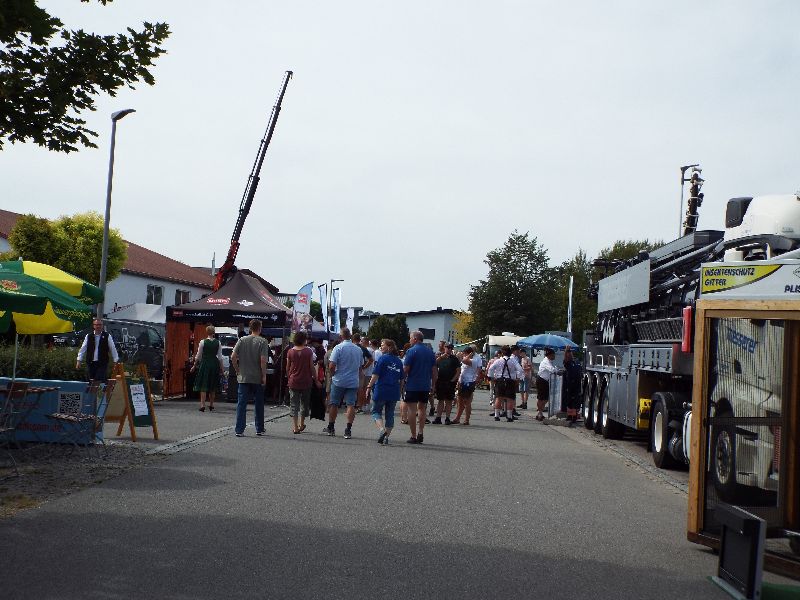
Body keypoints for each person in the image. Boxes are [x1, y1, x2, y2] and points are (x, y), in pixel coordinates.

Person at [231, 319, 270, 437]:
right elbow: (263, 360)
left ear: (250, 328)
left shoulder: (242, 340)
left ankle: (239, 429)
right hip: (257, 377)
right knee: (259, 403)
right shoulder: (263, 341)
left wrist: (237, 370)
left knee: (241, 404)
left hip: (243, 377)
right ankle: (259, 428)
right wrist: (264, 375)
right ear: (260, 328)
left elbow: (233, 356)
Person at [325, 327, 364, 439]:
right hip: (353, 381)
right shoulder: (358, 349)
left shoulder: (338, 348)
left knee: (334, 404)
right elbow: (360, 367)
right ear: (350, 336)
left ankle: (331, 427)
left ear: (341, 336)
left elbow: (331, 366)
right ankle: (348, 429)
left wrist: (333, 375)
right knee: (350, 404)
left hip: (339, 380)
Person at [366, 338, 404, 445]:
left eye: (383, 345)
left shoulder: (383, 359)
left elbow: (375, 374)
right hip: (393, 390)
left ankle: (382, 430)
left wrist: (369, 386)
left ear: (389, 347)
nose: (381, 347)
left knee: (376, 411)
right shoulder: (398, 361)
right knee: (390, 414)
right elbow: (402, 379)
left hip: (382, 389)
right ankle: (386, 437)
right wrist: (400, 390)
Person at [403, 330, 437, 444]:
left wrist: (401, 380)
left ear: (415, 339)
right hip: (425, 385)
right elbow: (434, 371)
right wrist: (433, 385)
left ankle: (413, 435)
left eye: (410, 338)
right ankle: (420, 432)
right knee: (422, 408)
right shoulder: (430, 352)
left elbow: (406, 369)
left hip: (413, 384)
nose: (409, 340)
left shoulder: (411, 351)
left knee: (412, 410)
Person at [286, 331, 317, 434]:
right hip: (306, 380)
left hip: (293, 380)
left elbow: (287, 367)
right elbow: (312, 367)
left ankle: (295, 427)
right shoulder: (308, 351)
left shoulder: (290, 351)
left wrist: (289, 376)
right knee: (304, 403)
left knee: (294, 404)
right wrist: (316, 379)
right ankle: (301, 424)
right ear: (304, 340)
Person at [190, 324, 224, 412]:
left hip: (205, 364)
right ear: (214, 332)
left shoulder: (203, 342)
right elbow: (220, 357)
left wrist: (194, 366)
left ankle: (202, 405)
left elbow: (198, 356)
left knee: (203, 385)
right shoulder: (218, 343)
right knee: (212, 385)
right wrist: (222, 368)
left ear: (207, 332)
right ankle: (211, 404)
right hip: (214, 364)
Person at [487, 345, 524, 422]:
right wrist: (518, 378)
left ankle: (496, 415)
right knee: (510, 399)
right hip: (510, 381)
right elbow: (520, 370)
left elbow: (490, 369)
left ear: (502, 353)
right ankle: (509, 416)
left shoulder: (498, 361)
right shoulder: (513, 361)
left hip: (500, 380)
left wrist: (492, 377)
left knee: (498, 398)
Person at [452, 346, 482, 425]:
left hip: (469, 382)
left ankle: (466, 419)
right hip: (462, 382)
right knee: (459, 401)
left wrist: (467, 356)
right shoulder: (466, 360)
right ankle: (457, 418)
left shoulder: (473, 360)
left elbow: (464, 360)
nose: (463, 355)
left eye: (465, 353)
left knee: (467, 402)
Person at [432, 343, 460, 425]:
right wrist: (441, 357)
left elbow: (458, 371)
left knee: (449, 400)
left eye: (450, 348)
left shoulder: (454, 359)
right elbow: (434, 365)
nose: (449, 349)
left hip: (450, 382)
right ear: (444, 348)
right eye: (447, 347)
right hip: (440, 381)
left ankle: (447, 418)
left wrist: (453, 380)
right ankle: (438, 418)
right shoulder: (440, 357)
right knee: (440, 400)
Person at [535, 348, 561, 422]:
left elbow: (553, 369)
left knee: (545, 398)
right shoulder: (545, 361)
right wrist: (557, 371)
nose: (554, 356)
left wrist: (557, 369)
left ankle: (540, 412)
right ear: (550, 355)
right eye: (553, 355)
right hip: (542, 380)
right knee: (541, 398)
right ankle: (539, 413)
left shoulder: (550, 361)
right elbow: (552, 369)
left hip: (545, 381)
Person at [562, 348, 582, 426]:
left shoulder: (577, 362)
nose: (570, 354)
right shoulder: (567, 363)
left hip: (577, 384)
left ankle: (574, 416)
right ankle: (570, 416)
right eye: (569, 353)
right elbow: (565, 360)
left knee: (576, 401)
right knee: (569, 401)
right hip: (569, 384)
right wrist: (566, 351)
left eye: (570, 352)